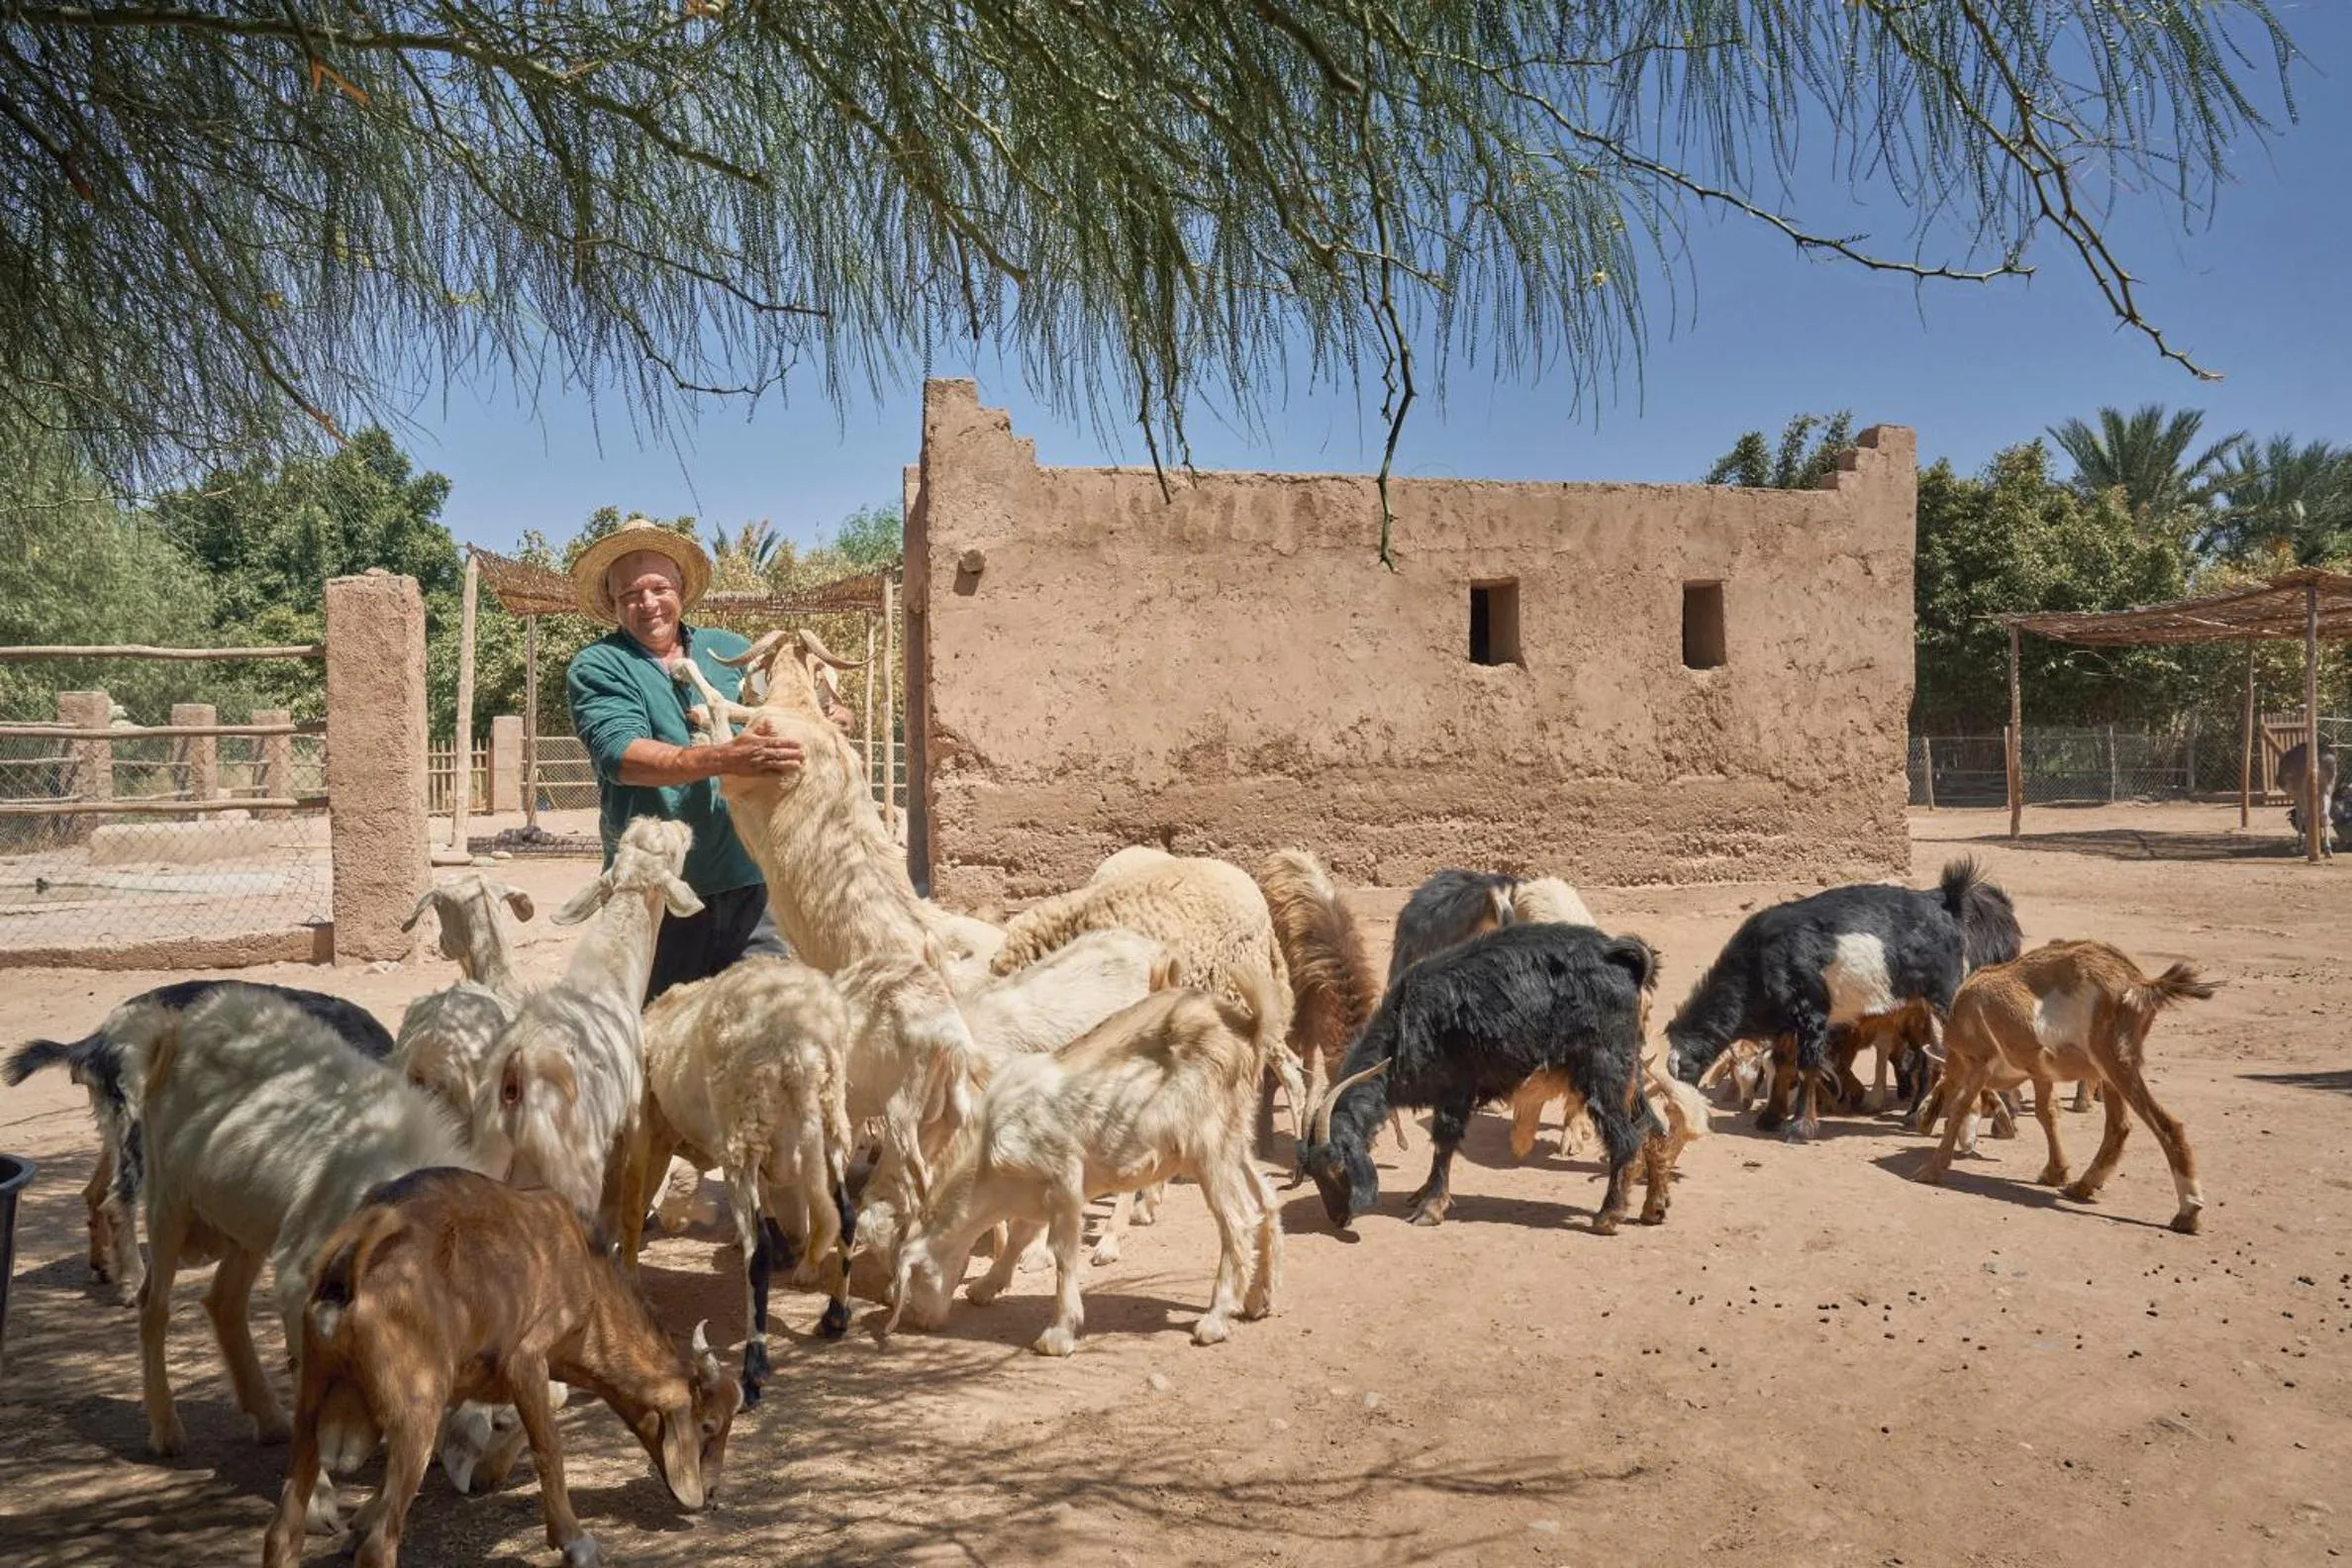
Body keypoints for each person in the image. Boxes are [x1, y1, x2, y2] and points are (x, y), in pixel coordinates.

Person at [564, 517, 851, 1002]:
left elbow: (791, 705)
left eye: (659, 586)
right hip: (656, 888)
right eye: (630, 594)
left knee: (768, 1017)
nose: (648, 603)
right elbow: (622, 755)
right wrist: (724, 757)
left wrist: (832, 715)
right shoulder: (598, 665)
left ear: (681, 589)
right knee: (662, 1032)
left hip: (752, 879)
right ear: (614, 603)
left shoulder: (731, 651)